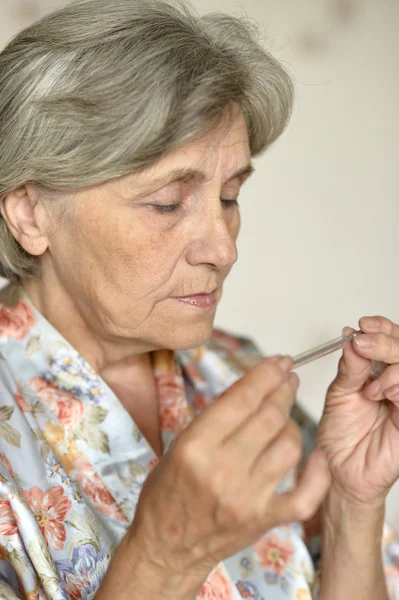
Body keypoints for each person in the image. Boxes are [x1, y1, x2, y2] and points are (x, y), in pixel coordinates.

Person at [0, 0, 398, 598]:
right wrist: (160, 559)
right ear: (31, 213)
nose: (223, 248)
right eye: (167, 203)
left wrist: (351, 504)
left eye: (230, 196)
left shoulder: (238, 373)